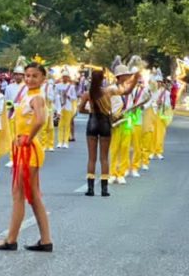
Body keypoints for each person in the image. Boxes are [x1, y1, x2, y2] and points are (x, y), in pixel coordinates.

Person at [0, 62, 53, 252]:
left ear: (43, 79)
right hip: (24, 150)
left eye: (35, 76)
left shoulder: (37, 97)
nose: (30, 79)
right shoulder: (29, 95)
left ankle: (11, 239)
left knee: (19, 194)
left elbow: (41, 119)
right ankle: (45, 240)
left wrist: (28, 137)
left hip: (29, 150)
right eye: (27, 75)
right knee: (32, 195)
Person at [78, 67, 135, 197]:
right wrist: (135, 80)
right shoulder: (108, 92)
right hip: (104, 123)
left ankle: (90, 189)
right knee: (104, 158)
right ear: (103, 80)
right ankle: (104, 189)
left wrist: (90, 111)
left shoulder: (87, 94)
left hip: (92, 123)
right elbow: (126, 92)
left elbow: (80, 109)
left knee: (91, 158)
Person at [56, 72, 77, 149]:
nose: (65, 78)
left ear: (68, 78)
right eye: (64, 76)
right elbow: (55, 95)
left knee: (67, 125)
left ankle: (65, 142)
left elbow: (74, 97)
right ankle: (59, 141)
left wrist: (68, 96)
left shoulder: (71, 87)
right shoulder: (58, 86)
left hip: (68, 107)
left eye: (66, 77)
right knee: (60, 124)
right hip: (60, 107)